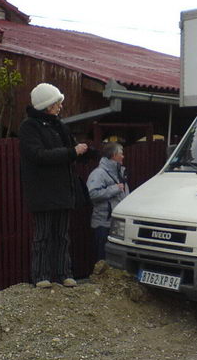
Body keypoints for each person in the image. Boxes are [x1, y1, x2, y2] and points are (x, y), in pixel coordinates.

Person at [19, 83, 88, 289]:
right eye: (57, 103)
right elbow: (38, 155)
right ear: (48, 105)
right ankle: (41, 276)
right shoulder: (29, 127)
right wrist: (72, 152)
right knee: (43, 236)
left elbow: (70, 150)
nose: (60, 106)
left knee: (62, 236)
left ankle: (64, 274)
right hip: (42, 192)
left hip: (63, 191)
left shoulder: (59, 126)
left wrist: (85, 153)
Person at [86, 142, 129, 261]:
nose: (123, 156)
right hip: (103, 224)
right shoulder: (99, 173)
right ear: (114, 155)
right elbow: (92, 193)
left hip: (118, 225)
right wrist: (115, 188)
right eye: (121, 153)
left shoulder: (120, 173)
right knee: (103, 260)